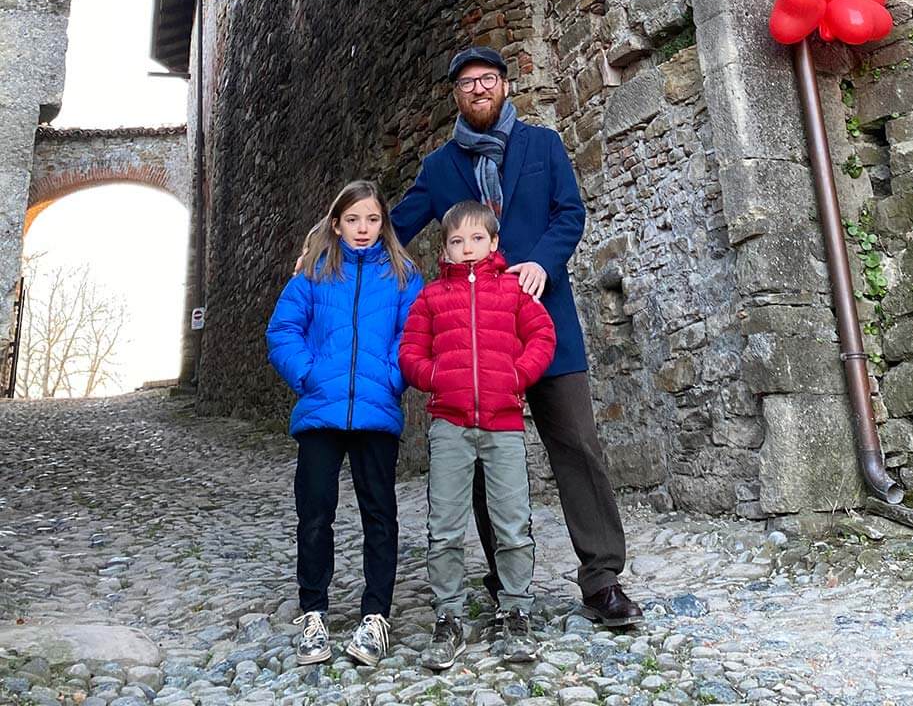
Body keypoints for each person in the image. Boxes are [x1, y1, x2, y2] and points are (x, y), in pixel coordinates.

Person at [390, 45, 642, 629]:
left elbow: (568, 214)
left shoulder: (543, 147)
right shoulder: (438, 168)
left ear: (506, 86)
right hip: (472, 346)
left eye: (488, 79)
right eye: (467, 83)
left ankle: (601, 579)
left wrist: (541, 264)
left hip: (542, 322)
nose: (478, 89)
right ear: (456, 94)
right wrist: (337, 242)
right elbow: (396, 230)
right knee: (478, 459)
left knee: (577, 443)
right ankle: (505, 577)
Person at [267, 180, 423, 669]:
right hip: (321, 412)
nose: (363, 229)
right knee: (315, 514)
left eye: (372, 219)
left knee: (380, 515)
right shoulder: (314, 274)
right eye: (353, 220)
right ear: (336, 224)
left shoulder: (402, 276)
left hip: (376, 413)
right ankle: (313, 612)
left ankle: (375, 615)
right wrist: (309, 374)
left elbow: (414, 332)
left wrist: (393, 379)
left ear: (384, 224)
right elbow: (282, 331)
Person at [400, 199, 557, 669]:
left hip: (503, 423)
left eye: (476, 239)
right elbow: (409, 351)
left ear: (493, 243)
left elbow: (543, 337)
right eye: (455, 241)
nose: (466, 248)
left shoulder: (512, 292)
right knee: (444, 527)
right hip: (449, 425)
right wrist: (436, 377)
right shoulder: (430, 298)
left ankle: (515, 610)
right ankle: (448, 616)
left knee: (512, 523)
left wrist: (515, 375)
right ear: (444, 250)